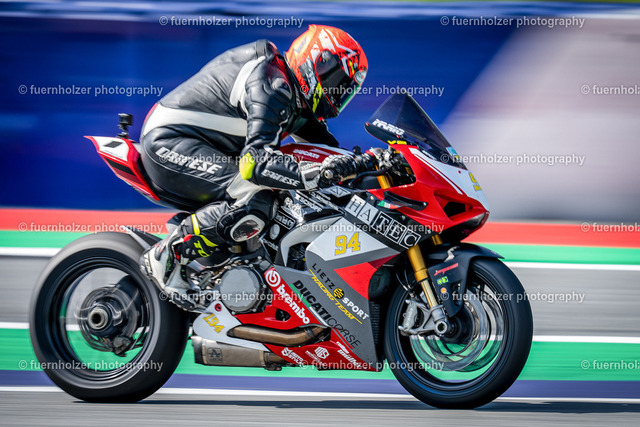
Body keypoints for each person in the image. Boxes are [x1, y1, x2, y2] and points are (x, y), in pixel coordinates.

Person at [140, 25, 376, 297]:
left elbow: (330, 153)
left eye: (345, 90)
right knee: (257, 200)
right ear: (317, 63)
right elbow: (256, 164)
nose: (338, 95)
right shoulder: (272, 83)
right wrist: (317, 174)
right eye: (337, 83)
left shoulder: (297, 98)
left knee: (285, 199)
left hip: (209, 147)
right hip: (169, 142)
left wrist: (370, 164)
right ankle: (168, 254)